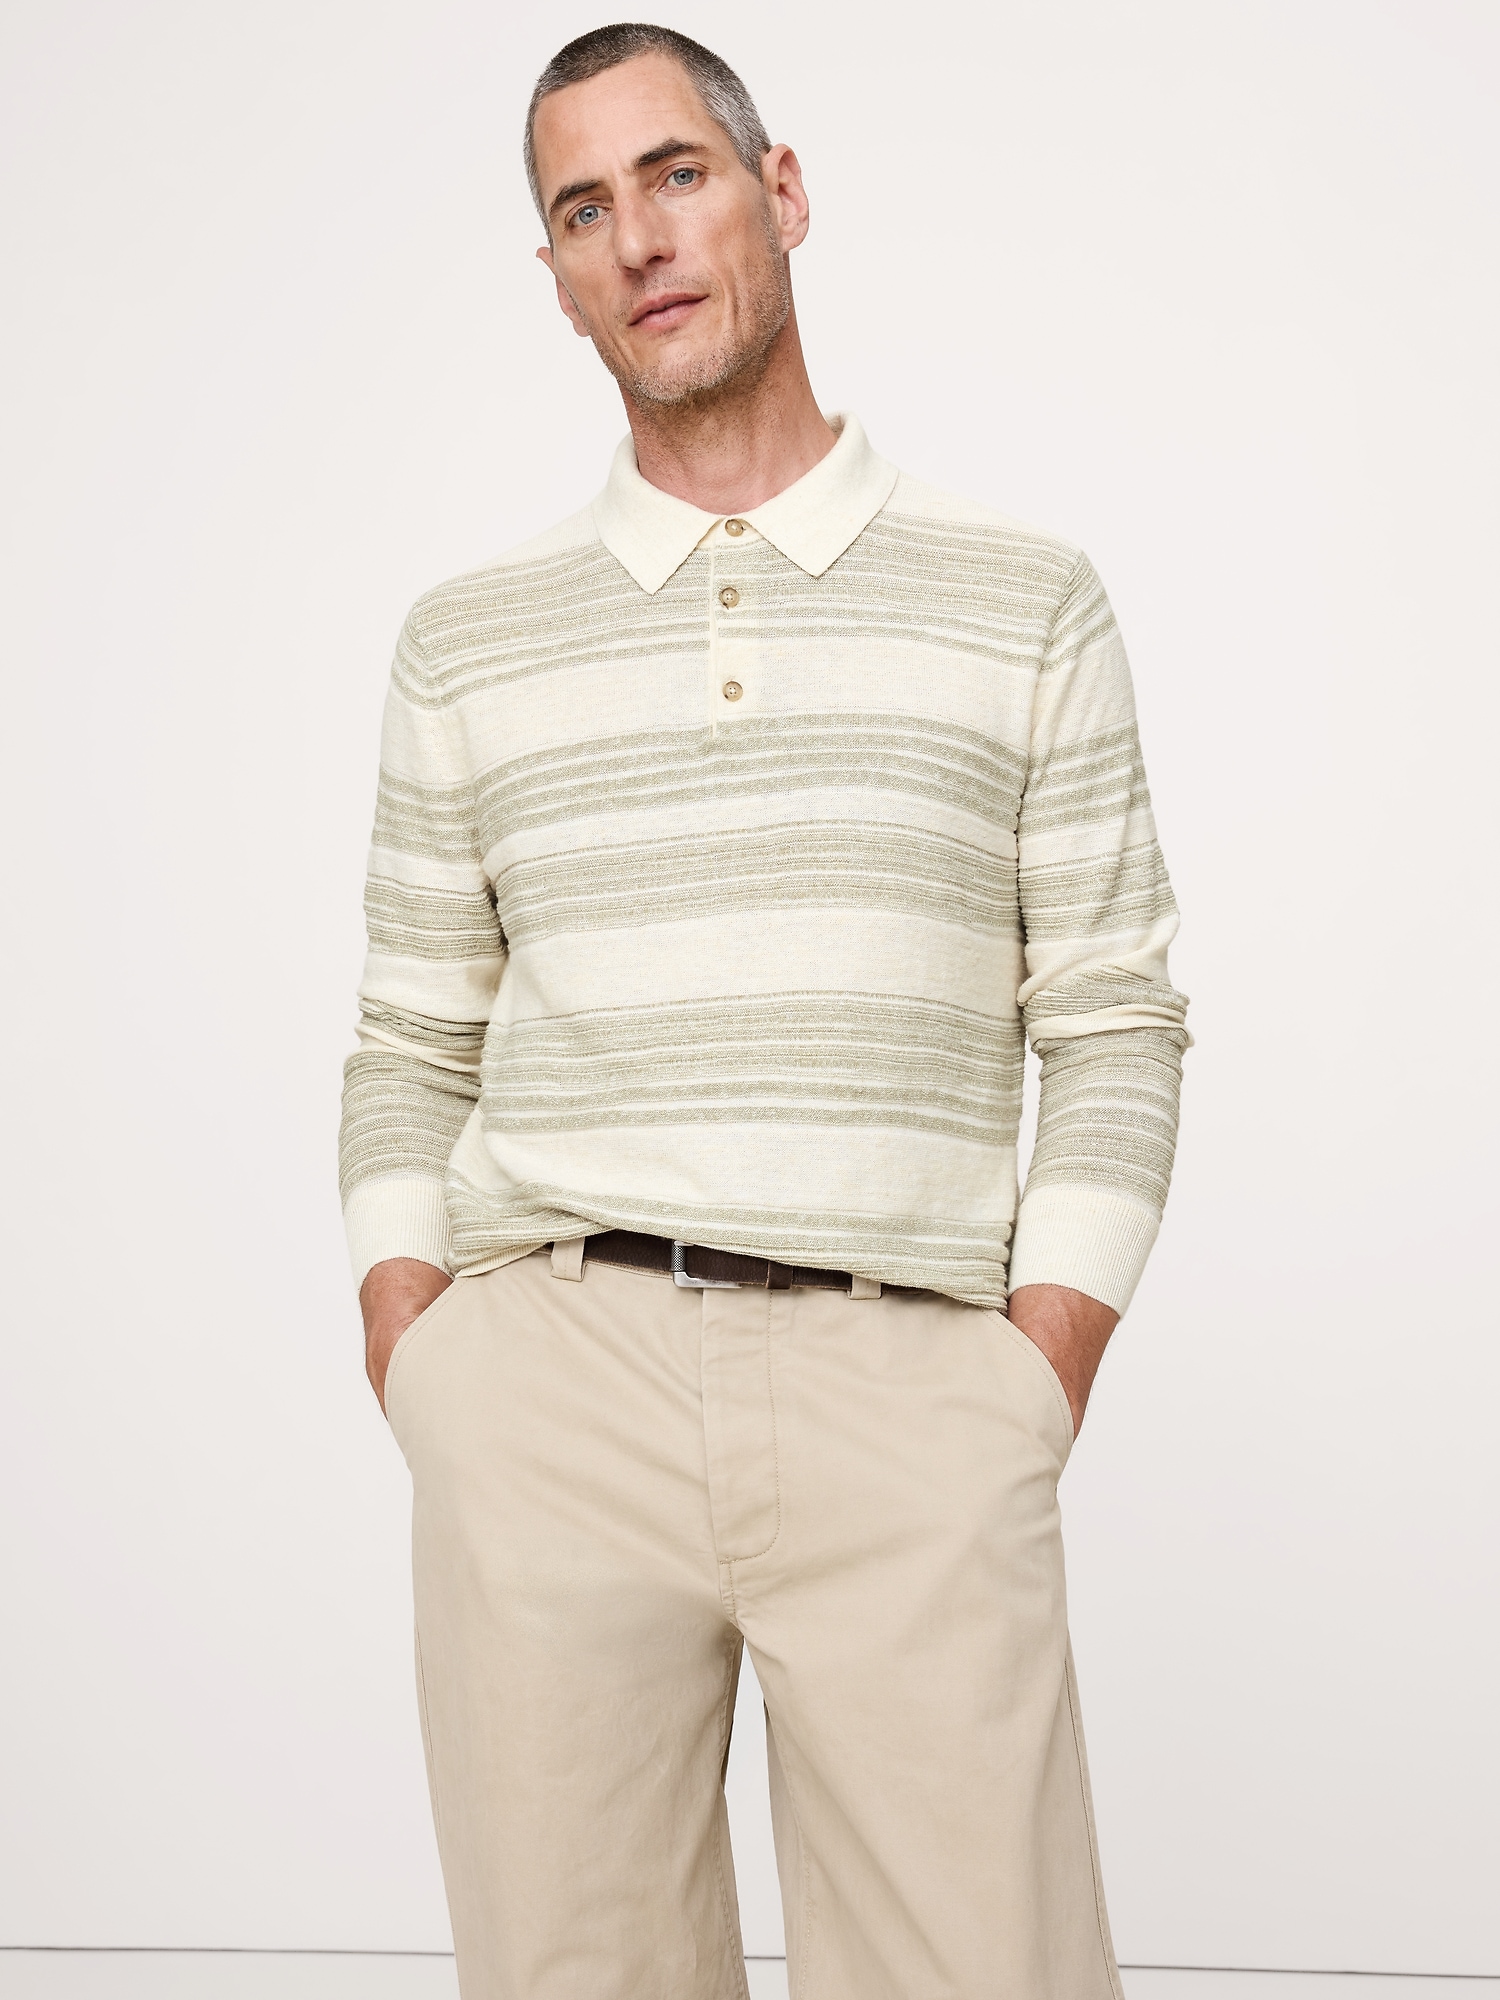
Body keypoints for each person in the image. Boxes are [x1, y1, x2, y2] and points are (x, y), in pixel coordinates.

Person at [339, 22, 1189, 1999]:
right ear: (555, 278)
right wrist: (418, 1347)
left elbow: (1114, 1016)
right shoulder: (467, 640)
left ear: (779, 191)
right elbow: (408, 1038)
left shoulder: (1023, 597)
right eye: (583, 210)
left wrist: (1034, 1370)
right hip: (551, 1386)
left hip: (917, 1382)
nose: (639, 238)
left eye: (676, 175)